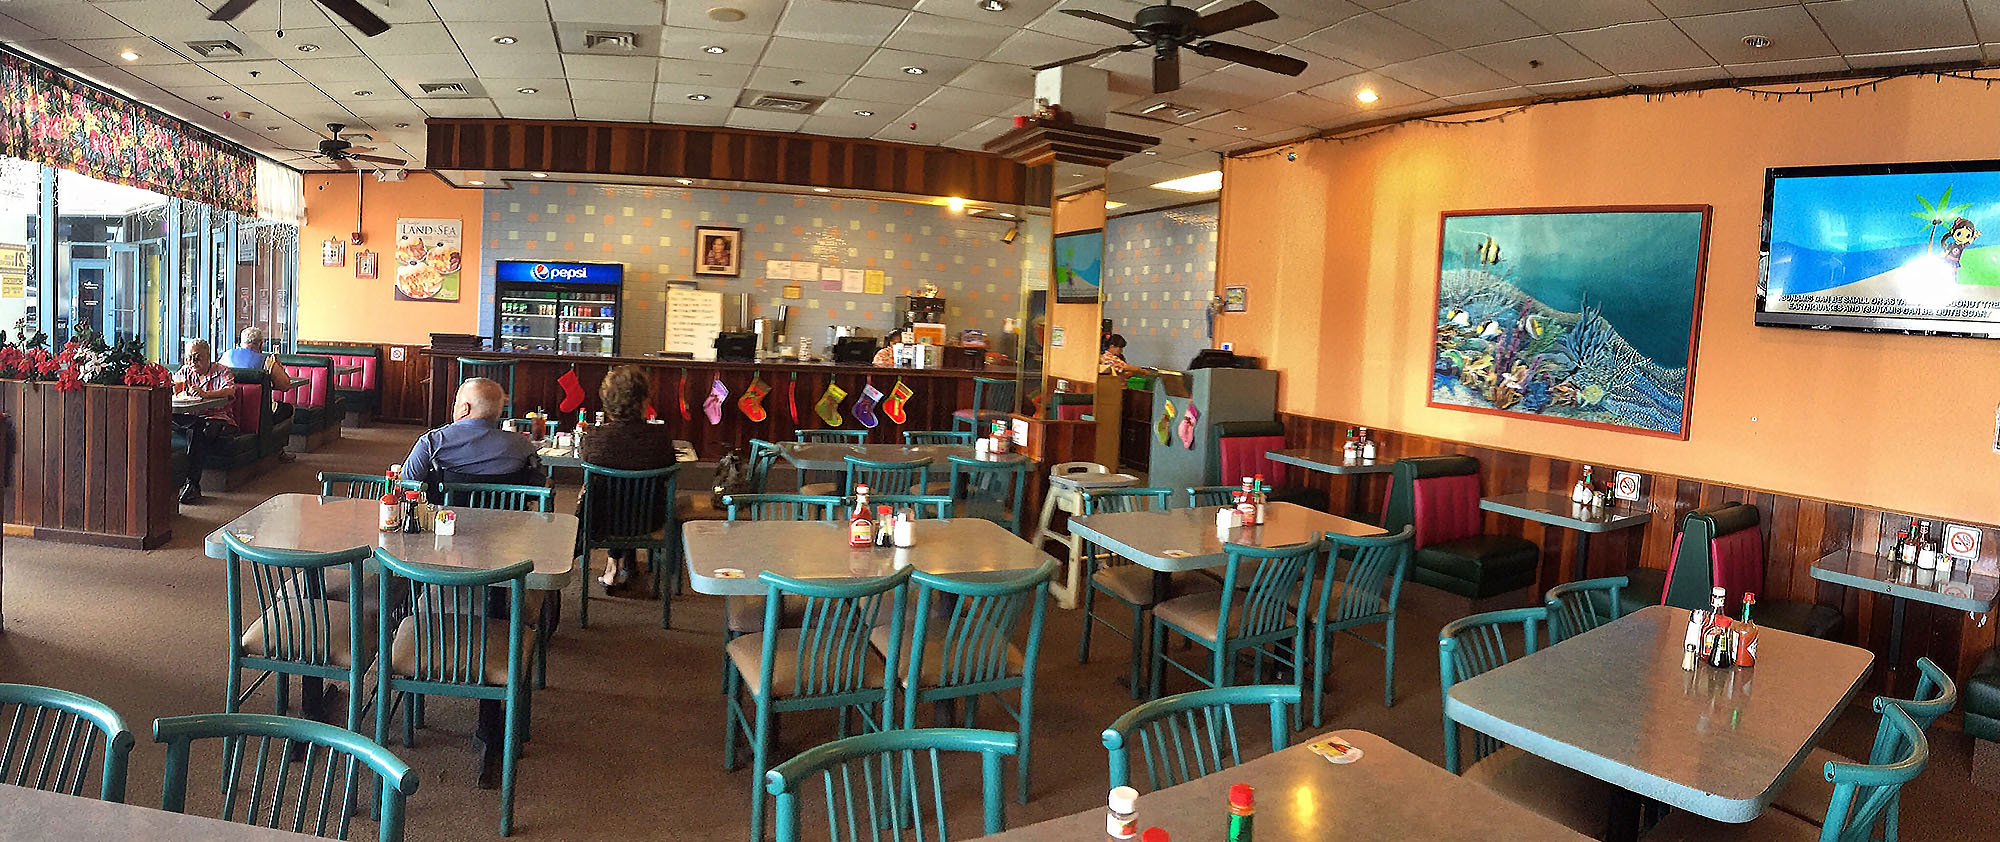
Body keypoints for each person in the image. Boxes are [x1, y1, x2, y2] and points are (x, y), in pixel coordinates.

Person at [397, 376, 541, 791]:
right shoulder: (522, 448)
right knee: (503, 605)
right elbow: (537, 499)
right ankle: (492, 725)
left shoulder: (433, 442)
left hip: (439, 557)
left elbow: (408, 488)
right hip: (502, 561)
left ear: (462, 408)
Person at [578, 365, 678, 593]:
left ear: (607, 400)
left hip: (603, 521)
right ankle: (627, 565)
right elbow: (666, 473)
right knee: (635, 493)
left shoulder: (595, 438)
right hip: (649, 519)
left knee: (605, 492)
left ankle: (614, 564)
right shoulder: (660, 437)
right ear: (644, 399)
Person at [400, 378, 541, 485]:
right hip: (506, 514)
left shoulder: (433, 441)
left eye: (456, 403)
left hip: (446, 514)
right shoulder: (522, 444)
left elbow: (407, 482)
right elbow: (536, 480)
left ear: (464, 408)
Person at [173, 339, 237, 504]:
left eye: (197, 357)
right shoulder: (185, 371)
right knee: (179, 422)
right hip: (189, 418)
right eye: (189, 357)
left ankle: (192, 484)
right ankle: (187, 484)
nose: (192, 362)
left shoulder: (222, 371)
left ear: (208, 356)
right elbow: (174, 388)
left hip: (216, 418)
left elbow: (229, 391)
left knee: (198, 430)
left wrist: (206, 394)